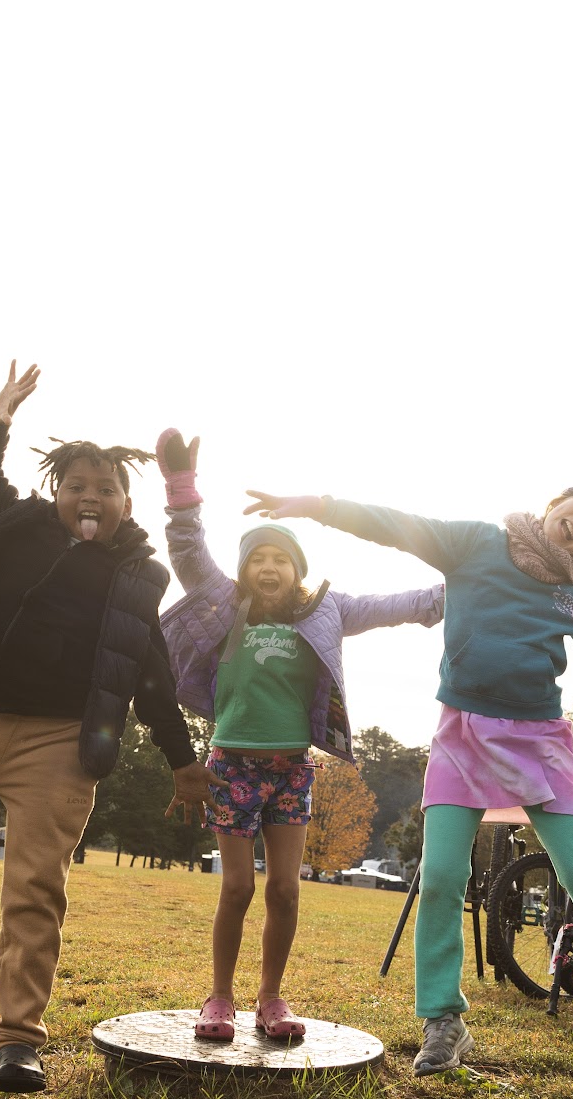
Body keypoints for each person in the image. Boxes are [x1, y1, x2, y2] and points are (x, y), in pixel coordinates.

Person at [243, 482, 573, 1076]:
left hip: (539, 743)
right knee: (440, 878)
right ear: (556, 504)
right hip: (461, 737)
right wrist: (318, 505)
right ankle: (443, 1021)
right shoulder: (476, 544)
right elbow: (395, 522)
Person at [0, 363, 211, 1094]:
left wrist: (184, 761)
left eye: (106, 489)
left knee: (35, 887)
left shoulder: (138, 576)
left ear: (128, 502)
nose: (90, 498)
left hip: (62, 745)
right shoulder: (18, 527)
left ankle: (18, 1040)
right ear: (55, 494)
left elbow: (152, 672)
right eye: (77, 488)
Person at [156, 429, 443, 1042]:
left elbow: (403, 603)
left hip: (292, 771)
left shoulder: (327, 611)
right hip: (231, 767)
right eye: (257, 559)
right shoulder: (224, 605)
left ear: (297, 571)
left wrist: (475, 585)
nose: (268, 567)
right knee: (236, 887)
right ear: (243, 572)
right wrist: (182, 491)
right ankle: (219, 999)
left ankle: (271, 1000)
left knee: (285, 889)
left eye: (280, 559)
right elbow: (187, 551)